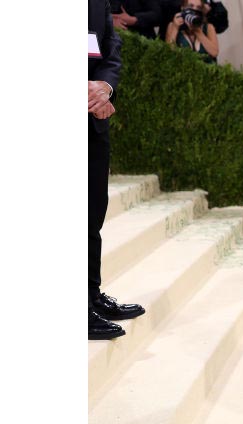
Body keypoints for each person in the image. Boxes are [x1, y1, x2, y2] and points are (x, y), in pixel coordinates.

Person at [90, 0, 145, 339]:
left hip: (94, 120)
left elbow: (111, 47)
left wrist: (104, 89)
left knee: (91, 215)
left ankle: (90, 297)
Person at [165, 0, 219, 64]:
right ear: (182, 8)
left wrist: (198, 32)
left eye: (198, 7)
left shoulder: (209, 27)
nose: (194, 10)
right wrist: (175, 28)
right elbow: (168, 54)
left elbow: (214, 53)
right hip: (183, 71)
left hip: (207, 72)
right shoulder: (173, 25)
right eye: (191, 6)